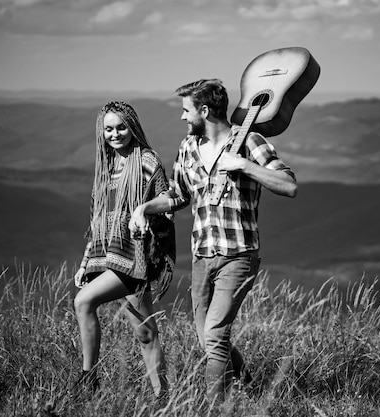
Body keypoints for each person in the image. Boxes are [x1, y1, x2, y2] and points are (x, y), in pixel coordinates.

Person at [129, 79, 297, 404]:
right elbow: (178, 195)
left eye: (186, 110)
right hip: (201, 256)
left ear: (204, 111)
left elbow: (289, 184)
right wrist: (146, 208)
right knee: (207, 339)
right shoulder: (188, 147)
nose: (182, 117)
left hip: (238, 255)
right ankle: (251, 388)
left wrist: (245, 166)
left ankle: (215, 409)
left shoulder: (250, 142)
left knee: (216, 334)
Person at [73, 101, 175, 399]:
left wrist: (145, 215)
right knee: (145, 333)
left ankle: (87, 379)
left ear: (133, 127)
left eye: (121, 127)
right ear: (101, 131)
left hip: (136, 257)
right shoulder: (105, 166)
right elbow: (98, 220)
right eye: (108, 129)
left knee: (83, 302)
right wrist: (85, 262)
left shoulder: (147, 160)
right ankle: (164, 399)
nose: (115, 134)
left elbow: (168, 200)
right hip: (108, 257)